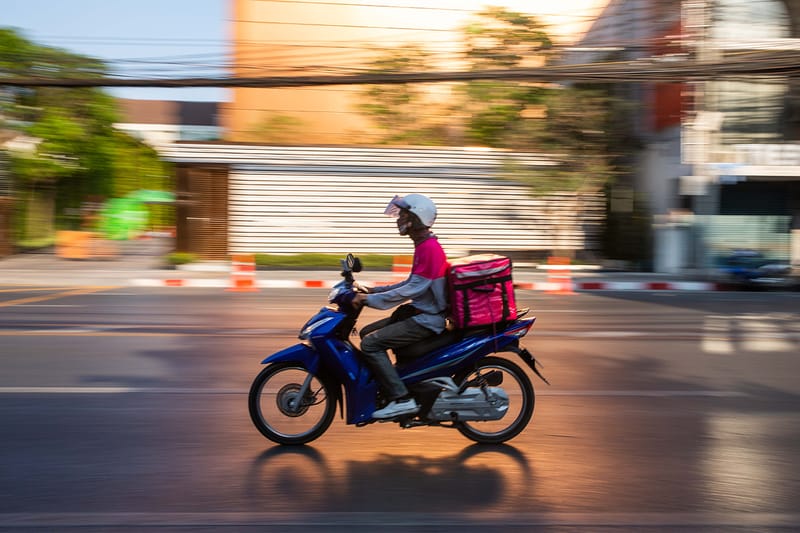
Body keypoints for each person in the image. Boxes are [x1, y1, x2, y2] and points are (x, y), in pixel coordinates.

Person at [352, 194, 449, 419]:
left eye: (405, 214)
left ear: (416, 217)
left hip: (428, 319)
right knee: (367, 332)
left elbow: (412, 289)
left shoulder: (429, 249)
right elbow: (410, 283)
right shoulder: (425, 245)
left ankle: (401, 399)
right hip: (421, 312)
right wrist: (373, 291)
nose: (400, 218)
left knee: (370, 344)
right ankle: (392, 384)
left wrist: (369, 301)